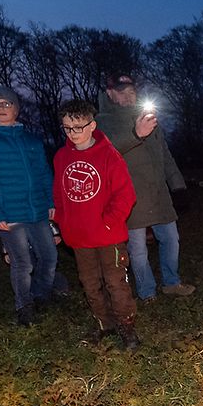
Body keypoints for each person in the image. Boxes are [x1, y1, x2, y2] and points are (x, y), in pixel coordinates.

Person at [96, 74, 193, 300]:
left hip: (159, 193)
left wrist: (178, 186)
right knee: (138, 250)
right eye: (122, 92)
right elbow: (103, 154)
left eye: (132, 92)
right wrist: (135, 134)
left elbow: (165, 154)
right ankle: (146, 291)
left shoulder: (146, 117)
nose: (129, 96)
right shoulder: (103, 122)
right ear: (110, 93)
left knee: (171, 239)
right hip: (129, 198)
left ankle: (172, 282)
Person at [52, 99, 140, 350]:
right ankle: (105, 324)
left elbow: (126, 195)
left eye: (78, 127)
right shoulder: (61, 157)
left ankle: (126, 327)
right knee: (90, 284)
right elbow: (60, 193)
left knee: (115, 282)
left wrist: (109, 223)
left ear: (92, 125)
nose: (73, 134)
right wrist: (62, 221)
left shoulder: (109, 155)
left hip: (109, 237)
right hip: (79, 237)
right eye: (67, 128)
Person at [0, 86, 57, 327]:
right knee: (23, 263)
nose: (1, 108)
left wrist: (50, 201)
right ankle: (24, 306)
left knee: (49, 256)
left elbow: (44, 174)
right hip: (8, 214)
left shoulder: (32, 140)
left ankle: (41, 296)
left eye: (6, 104)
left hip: (37, 210)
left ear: (16, 108)